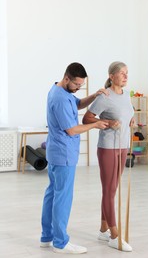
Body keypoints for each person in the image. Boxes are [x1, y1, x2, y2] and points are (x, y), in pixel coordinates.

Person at [40, 62, 109, 254]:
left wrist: (94, 96)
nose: (78, 88)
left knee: (52, 194)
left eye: (81, 85)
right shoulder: (60, 99)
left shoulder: (61, 92)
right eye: (77, 85)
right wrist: (95, 125)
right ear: (67, 78)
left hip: (56, 153)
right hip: (64, 155)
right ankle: (60, 243)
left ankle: (47, 236)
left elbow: (77, 104)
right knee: (63, 198)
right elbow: (71, 130)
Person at [82, 61, 135, 252]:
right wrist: (108, 122)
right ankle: (114, 235)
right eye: (122, 73)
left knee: (112, 189)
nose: (125, 76)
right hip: (108, 148)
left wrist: (131, 119)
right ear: (111, 76)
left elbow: (125, 113)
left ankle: (103, 228)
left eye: (127, 73)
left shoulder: (126, 95)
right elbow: (87, 118)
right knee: (109, 190)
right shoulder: (105, 96)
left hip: (122, 147)